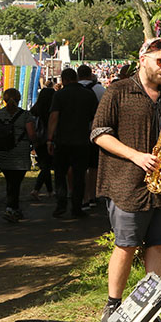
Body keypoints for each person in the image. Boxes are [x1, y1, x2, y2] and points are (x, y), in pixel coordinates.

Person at [93, 37, 161, 322]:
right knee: (126, 245)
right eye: (160, 61)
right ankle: (112, 306)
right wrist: (135, 156)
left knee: (158, 246)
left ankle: (159, 304)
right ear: (143, 59)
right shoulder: (118, 91)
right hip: (127, 183)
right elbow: (99, 133)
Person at [47, 68, 99, 218]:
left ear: (64, 80)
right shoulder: (88, 94)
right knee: (79, 175)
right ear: (76, 78)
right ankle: (77, 207)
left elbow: (54, 117)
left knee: (60, 174)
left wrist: (49, 139)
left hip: (62, 140)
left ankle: (61, 204)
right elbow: (94, 118)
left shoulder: (59, 95)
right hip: (82, 140)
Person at [0, 88, 36, 222]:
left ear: (4, 99)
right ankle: (10, 208)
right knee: (16, 182)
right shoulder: (25, 115)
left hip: (1, 153)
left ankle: (14, 208)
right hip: (20, 152)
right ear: (18, 99)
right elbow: (31, 134)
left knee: (10, 181)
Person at [77, 64, 105, 210]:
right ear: (90, 74)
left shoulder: (71, 91)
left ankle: (80, 195)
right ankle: (92, 195)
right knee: (94, 167)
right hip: (96, 132)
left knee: (79, 166)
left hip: (77, 132)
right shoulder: (100, 90)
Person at [29, 86, 56, 200]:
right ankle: (36, 189)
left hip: (38, 140)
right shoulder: (51, 110)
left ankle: (50, 191)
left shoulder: (35, 109)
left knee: (45, 165)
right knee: (47, 166)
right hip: (48, 140)